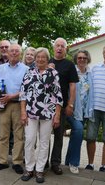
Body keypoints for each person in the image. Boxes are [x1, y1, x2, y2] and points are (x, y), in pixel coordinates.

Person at [20, 47, 63, 183]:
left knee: (44, 143)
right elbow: (23, 93)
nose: (40, 59)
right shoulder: (29, 72)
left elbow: (58, 95)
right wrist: (22, 112)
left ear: (47, 58)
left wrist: (57, 115)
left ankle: (39, 170)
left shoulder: (53, 73)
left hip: (48, 112)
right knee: (29, 140)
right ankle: (29, 169)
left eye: (43, 57)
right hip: (30, 112)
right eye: (38, 57)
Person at [0, 44, 28, 174]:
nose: (13, 53)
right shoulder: (0, 68)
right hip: (3, 105)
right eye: (11, 50)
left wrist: (11, 96)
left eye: (16, 51)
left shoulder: (26, 69)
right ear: (7, 52)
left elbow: (26, 90)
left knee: (19, 135)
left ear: (20, 53)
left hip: (19, 105)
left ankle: (17, 162)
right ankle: (2, 161)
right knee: (3, 134)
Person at [48, 37, 79, 175]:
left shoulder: (69, 65)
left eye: (62, 46)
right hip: (44, 106)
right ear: (53, 48)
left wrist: (70, 104)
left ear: (66, 49)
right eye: (57, 45)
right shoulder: (47, 62)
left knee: (59, 135)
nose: (59, 48)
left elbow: (73, 86)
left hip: (61, 105)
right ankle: (42, 162)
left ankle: (55, 163)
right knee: (44, 136)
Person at [65, 50, 94, 174]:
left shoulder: (91, 74)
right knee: (79, 130)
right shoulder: (72, 71)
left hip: (85, 111)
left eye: (84, 58)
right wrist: (69, 105)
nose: (82, 60)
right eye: (79, 58)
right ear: (76, 59)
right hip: (72, 108)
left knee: (76, 135)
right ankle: (74, 163)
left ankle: (67, 162)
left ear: (88, 59)